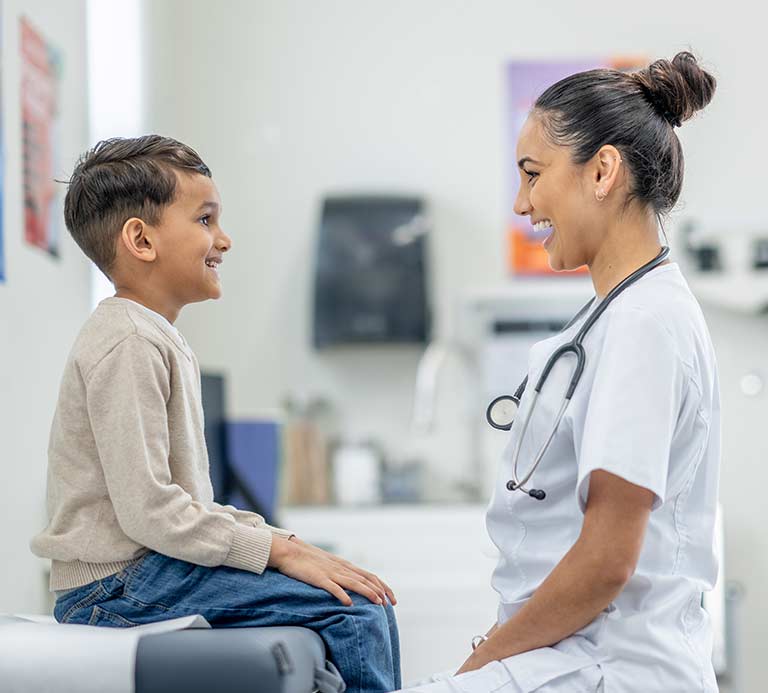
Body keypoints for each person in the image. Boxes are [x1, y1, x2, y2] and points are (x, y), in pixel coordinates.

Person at [30, 135, 400, 693]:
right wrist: (278, 551)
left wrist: (284, 543)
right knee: (355, 611)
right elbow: (151, 512)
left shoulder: (153, 335)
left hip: (146, 572)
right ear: (141, 239)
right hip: (113, 590)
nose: (223, 239)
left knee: (350, 600)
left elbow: (183, 507)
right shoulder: (127, 341)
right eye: (205, 220)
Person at [397, 52, 719, 693]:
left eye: (532, 174)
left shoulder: (644, 324)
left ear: (602, 170)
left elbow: (604, 563)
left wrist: (481, 663)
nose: (522, 203)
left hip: (616, 668)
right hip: (580, 658)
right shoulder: (619, 315)